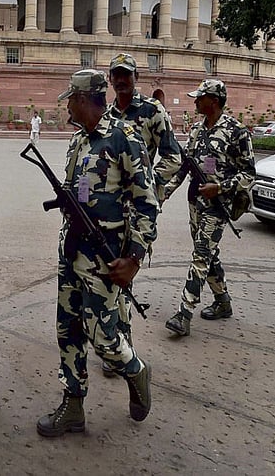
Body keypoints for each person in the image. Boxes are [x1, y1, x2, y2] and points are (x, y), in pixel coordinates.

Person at [37, 69, 157, 438]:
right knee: (67, 330)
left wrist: (134, 258)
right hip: (72, 250)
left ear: (85, 99)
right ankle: (73, 406)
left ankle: (135, 369)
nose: (67, 105)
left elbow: (147, 204)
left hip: (106, 260)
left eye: (70, 99)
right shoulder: (78, 141)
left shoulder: (124, 139)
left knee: (104, 339)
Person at [103, 53, 182, 376]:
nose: (122, 80)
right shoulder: (106, 114)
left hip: (136, 210)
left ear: (136, 78)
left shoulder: (152, 111)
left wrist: (152, 190)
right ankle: (118, 347)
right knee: (112, 276)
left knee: (123, 276)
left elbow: (173, 157)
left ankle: (122, 351)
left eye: (127, 75)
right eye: (117, 75)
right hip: (109, 211)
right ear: (110, 79)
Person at [163, 79, 255, 337]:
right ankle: (223, 302)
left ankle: (184, 313)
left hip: (218, 205)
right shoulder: (195, 130)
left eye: (199, 98)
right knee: (208, 254)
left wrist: (222, 187)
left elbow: (249, 173)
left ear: (213, 101)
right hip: (195, 203)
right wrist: (164, 193)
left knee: (201, 255)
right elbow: (185, 167)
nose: (195, 101)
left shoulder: (237, 132)